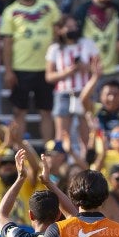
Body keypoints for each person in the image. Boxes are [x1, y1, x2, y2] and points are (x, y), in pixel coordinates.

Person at [1, 0, 61, 142]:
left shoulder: (48, 5)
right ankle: (20, 151)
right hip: (21, 68)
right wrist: (8, 70)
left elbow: (57, 33)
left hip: (46, 68)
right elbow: (7, 43)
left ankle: (49, 151)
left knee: (46, 111)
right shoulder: (11, 11)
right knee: (19, 111)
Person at [46, 15, 99, 144]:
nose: (73, 29)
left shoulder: (88, 44)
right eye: (69, 27)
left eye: (74, 26)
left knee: (87, 135)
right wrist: (67, 72)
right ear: (60, 30)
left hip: (85, 93)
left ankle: (86, 161)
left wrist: (85, 67)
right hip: (63, 93)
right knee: (62, 135)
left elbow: (98, 69)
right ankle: (61, 161)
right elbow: (49, 76)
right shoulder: (54, 49)